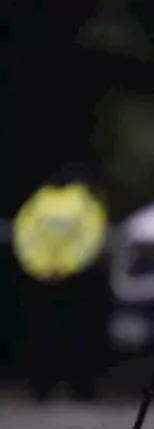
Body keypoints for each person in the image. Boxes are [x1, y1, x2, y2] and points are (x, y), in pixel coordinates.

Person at [12, 162, 111, 402]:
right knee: (80, 336)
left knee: (41, 336)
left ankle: (41, 387)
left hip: (41, 280)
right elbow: (90, 239)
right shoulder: (86, 202)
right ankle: (81, 388)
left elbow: (24, 237)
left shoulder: (38, 202)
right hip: (77, 281)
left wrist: (41, 265)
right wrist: (66, 265)